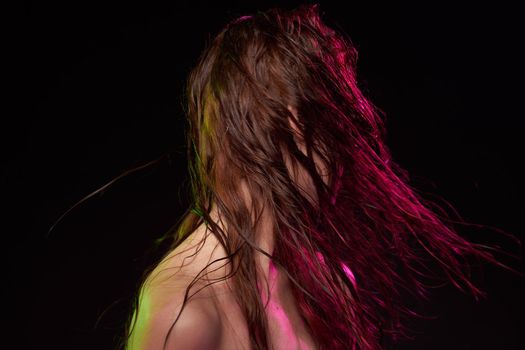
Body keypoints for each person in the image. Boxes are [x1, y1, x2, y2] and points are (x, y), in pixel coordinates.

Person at [121, 4, 505, 350]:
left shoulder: (329, 284)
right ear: (291, 121)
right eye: (338, 132)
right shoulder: (186, 314)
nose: (345, 160)